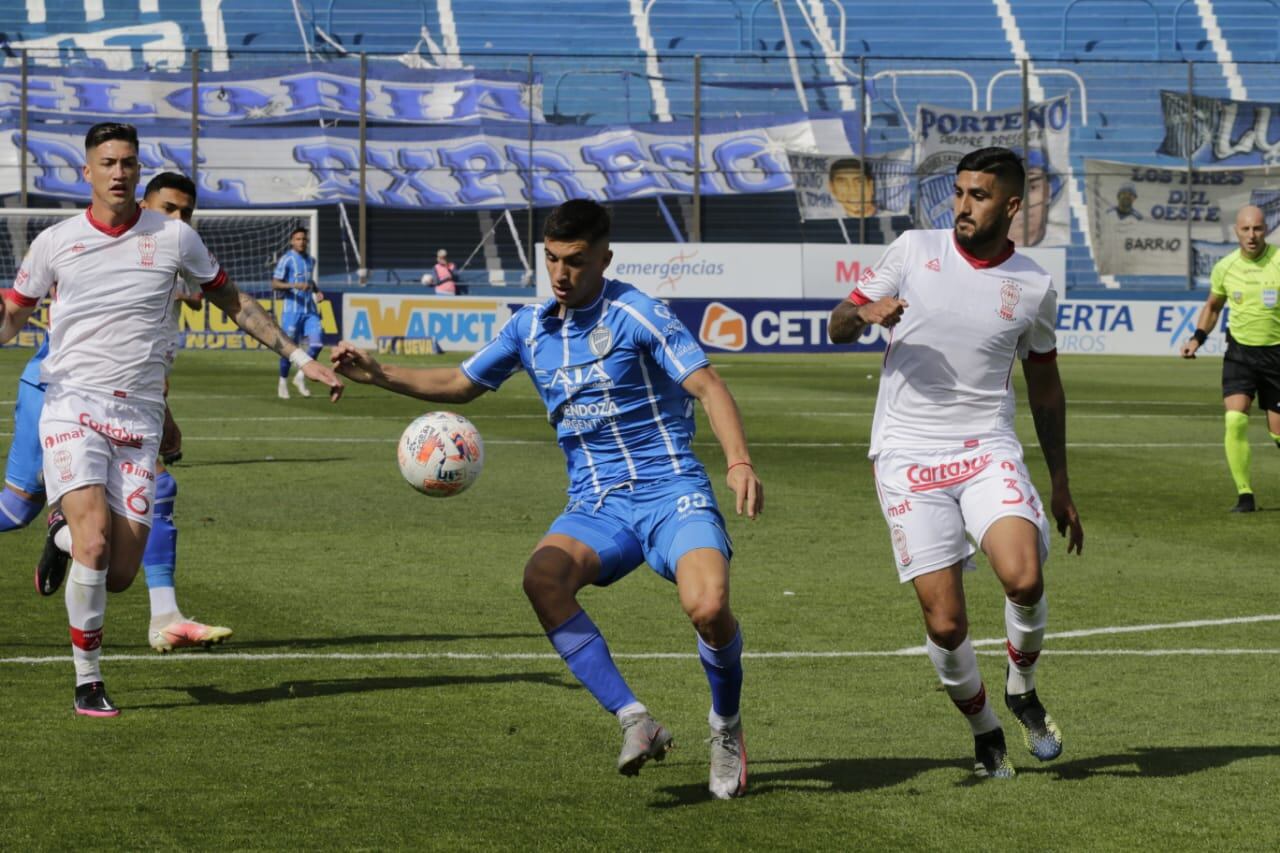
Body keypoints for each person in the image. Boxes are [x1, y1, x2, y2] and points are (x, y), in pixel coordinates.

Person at [331, 199, 763, 799]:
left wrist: (738, 461)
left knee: (709, 608)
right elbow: (459, 383)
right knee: (543, 580)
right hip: (596, 504)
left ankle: (726, 727)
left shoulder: (639, 314)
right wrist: (378, 375)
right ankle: (635, 720)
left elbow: (708, 386)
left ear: (604, 259)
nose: (561, 274)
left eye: (576, 262)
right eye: (552, 260)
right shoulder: (528, 328)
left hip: (671, 490)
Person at [0, 122, 344, 717]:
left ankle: (59, 534)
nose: (118, 172)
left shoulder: (174, 238)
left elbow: (233, 301)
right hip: (73, 403)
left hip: (138, 415)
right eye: (106, 162)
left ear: (138, 171)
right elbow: (12, 317)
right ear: (87, 172)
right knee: (97, 541)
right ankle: (88, 680)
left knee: (119, 572)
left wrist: (298, 357)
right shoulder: (54, 242)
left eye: (128, 162)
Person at [827, 146, 1084, 780]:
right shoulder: (914, 250)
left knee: (1023, 577)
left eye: (978, 195)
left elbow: (1045, 385)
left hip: (985, 448)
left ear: (1012, 206)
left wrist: (1059, 481)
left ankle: (1021, 690)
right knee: (945, 623)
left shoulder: (1033, 285)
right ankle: (985, 731)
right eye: (960, 192)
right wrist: (863, 313)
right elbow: (837, 323)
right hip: (906, 455)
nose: (962, 206)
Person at [3, 171, 234, 653]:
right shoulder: (107, 246)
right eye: (168, 209)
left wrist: (165, 417)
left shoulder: (171, 262)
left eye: (186, 213)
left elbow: (145, 361)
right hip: (56, 391)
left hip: (123, 407)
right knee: (14, 509)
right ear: (143, 205)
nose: (177, 220)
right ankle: (64, 534)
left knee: (157, 491)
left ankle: (164, 615)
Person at [1180, 205, 1280, 513]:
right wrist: (1197, 338)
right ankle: (1245, 495)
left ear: (1267, 230)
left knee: (1278, 432)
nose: (1252, 235)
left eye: (1258, 229)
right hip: (1240, 354)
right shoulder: (1225, 267)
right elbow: (1213, 306)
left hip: (1277, 355)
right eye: (1246, 229)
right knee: (1235, 419)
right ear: (1236, 231)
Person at [271, 227, 324, 398]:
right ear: (292, 241)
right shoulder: (286, 260)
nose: (301, 242)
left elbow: (309, 280)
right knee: (290, 349)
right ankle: (283, 382)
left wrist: (317, 291)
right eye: (298, 239)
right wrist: (294, 285)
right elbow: (275, 283)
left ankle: (300, 376)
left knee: (317, 344)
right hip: (292, 311)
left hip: (310, 311)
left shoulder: (311, 260)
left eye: (304, 239)